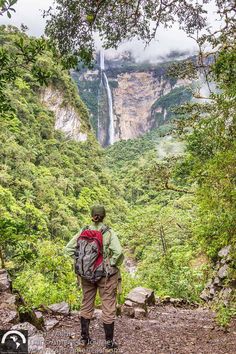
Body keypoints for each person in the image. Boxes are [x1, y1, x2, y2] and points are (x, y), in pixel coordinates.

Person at [64, 205, 124, 351]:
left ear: (92, 215)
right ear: (104, 216)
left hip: (86, 275)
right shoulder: (108, 232)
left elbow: (68, 249)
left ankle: (84, 340)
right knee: (108, 307)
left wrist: (82, 262)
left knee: (86, 304)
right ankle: (109, 345)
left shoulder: (84, 231)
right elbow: (119, 253)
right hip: (106, 276)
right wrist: (111, 264)